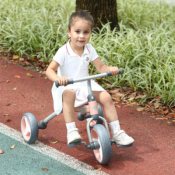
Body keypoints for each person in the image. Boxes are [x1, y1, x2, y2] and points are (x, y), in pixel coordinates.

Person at [46, 10, 134, 146]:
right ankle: (72, 131)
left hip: (85, 84)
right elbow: (49, 69)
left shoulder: (89, 49)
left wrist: (109, 69)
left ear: (90, 33)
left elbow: (101, 67)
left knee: (106, 97)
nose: (81, 36)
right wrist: (58, 78)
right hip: (67, 85)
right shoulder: (63, 51)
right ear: (69, 32)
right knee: (69, 94)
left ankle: (117, 132)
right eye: (77, 31)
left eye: (86, 32)